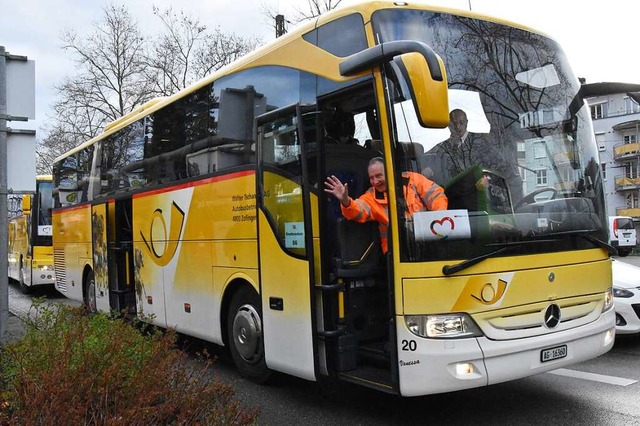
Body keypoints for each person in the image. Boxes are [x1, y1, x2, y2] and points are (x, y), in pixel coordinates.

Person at [324, 157, 448, 253]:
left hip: (427, 241)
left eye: (378, 176)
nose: (375, 181)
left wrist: (439, 216)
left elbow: (435, 194)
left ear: (390, 171)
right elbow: (358, 210)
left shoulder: (412, 179)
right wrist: (346, 201)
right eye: (371, 178)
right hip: (396, 252)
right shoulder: (371, 196)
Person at [421, 109, 522, 200]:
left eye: (461, 123)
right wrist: (428, 169)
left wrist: (487, 179)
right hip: (453, 200)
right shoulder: (443, 147)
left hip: (480, 199)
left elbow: (501, 167)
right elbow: (428, 161)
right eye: (454, 124)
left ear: (467, 123)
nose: (458, 127)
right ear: (448, 125)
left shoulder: (481, 141)